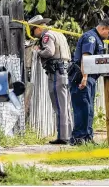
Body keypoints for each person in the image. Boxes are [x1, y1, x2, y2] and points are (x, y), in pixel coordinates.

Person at [69, 18, 109, 146]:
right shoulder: (90, 38)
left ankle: (87, 137)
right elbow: (86, 58)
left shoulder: (98, 39)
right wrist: (84, 78)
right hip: (82, 77)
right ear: (102, 28)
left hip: (90, 78)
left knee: (89, 108)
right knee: (82, 108)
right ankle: (78, 138)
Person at [28, 15, 73, 145]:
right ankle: (69, 134)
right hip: (65, 72)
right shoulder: (59, 34)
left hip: (56, 74)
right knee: (66, 106)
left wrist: (37, 51)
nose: (33, 34)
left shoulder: (47, 36)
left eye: (33, 30)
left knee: (59, 106)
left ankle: (63, 137)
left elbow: (49, 52)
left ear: (38, 27)